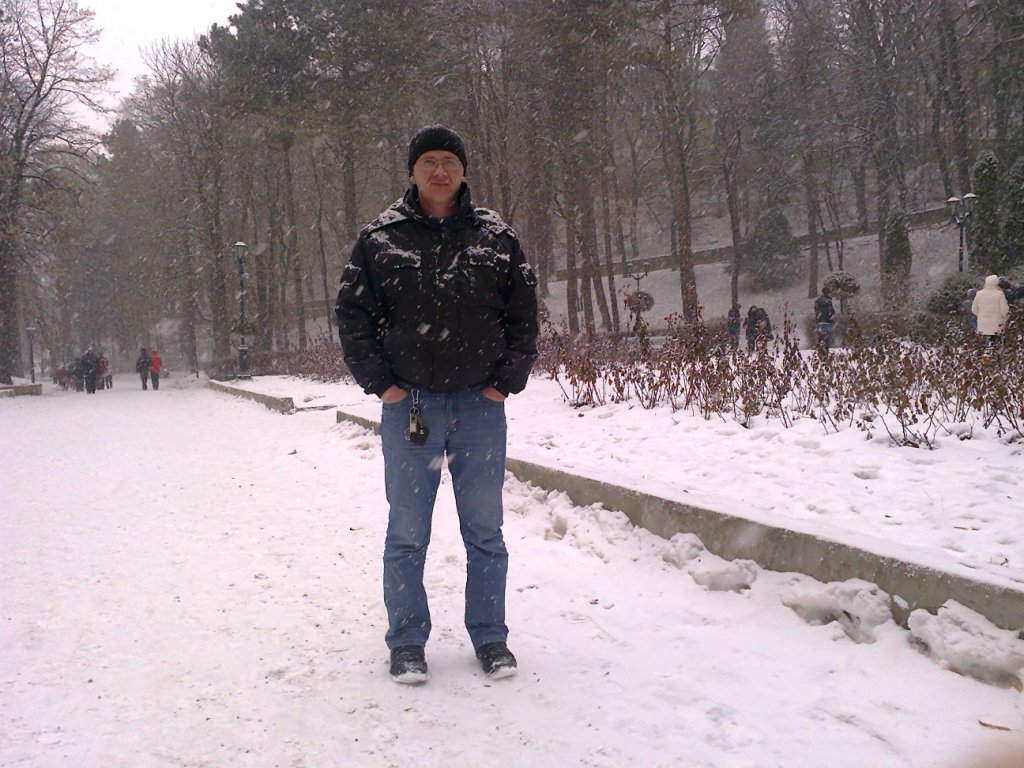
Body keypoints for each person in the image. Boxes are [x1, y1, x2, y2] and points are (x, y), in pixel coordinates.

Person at [335, 125, 539, 684]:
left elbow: (523, 315)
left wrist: (504, 383)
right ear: (412, 171)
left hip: (480, 409)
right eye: (429, 161)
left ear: (464, 170)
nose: (440, 170)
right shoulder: (381, 239)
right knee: (407, 533)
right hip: (411, 409)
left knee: (486, 533)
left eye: (449, 160)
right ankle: (406, 641)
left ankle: (491, 638)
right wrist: (383, 385)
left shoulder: (496, 237)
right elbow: (352, 316)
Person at [971, 274, 1010, 344]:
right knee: (995, 345)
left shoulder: (979, 293)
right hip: (996, 326)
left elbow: (974, 309)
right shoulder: (999, 294)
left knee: (984, 345)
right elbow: (1004, 310)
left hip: (982, 325)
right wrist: (1005, 317)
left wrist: (981, 315)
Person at [814, 286, 837, 351]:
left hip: (819, 321)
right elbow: (831, 311)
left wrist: (817, 317)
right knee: (827, 336)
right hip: (827, 321)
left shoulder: (818, 300)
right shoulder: (828, 301)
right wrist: (832, 316)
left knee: (820, 336)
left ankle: (820, 348)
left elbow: (816, 310)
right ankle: (826, 350)